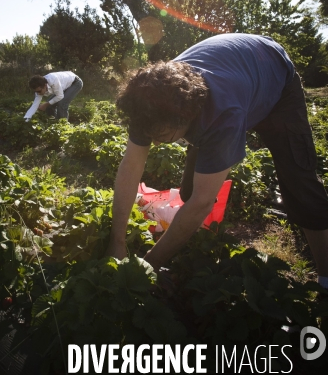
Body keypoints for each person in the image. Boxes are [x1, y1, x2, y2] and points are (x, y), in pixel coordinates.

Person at [107, 33, 328, 291]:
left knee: (299, 181)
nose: (154, 143)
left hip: (276, 79)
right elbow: (130, 168)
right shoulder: (149, 102)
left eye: (162, 137)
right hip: (236, 74)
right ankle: (191, 237)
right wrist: (117, 242)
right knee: (189, 192)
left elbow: (202, 202)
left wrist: (148, 266)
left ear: (185, 118)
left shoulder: (222, 113)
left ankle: (326, 277)